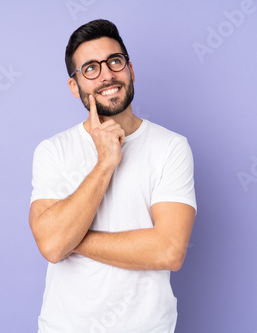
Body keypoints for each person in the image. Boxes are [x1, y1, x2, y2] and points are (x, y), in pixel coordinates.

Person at [29, 19, 197, 333]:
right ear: (74, 86)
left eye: (114, 62)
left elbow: (169, 250)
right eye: (90, 68)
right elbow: (52, 245)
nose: (107, 74)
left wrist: (72, 240)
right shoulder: (53, 150)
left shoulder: (171, 147)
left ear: (130, 71)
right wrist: (105, 162)